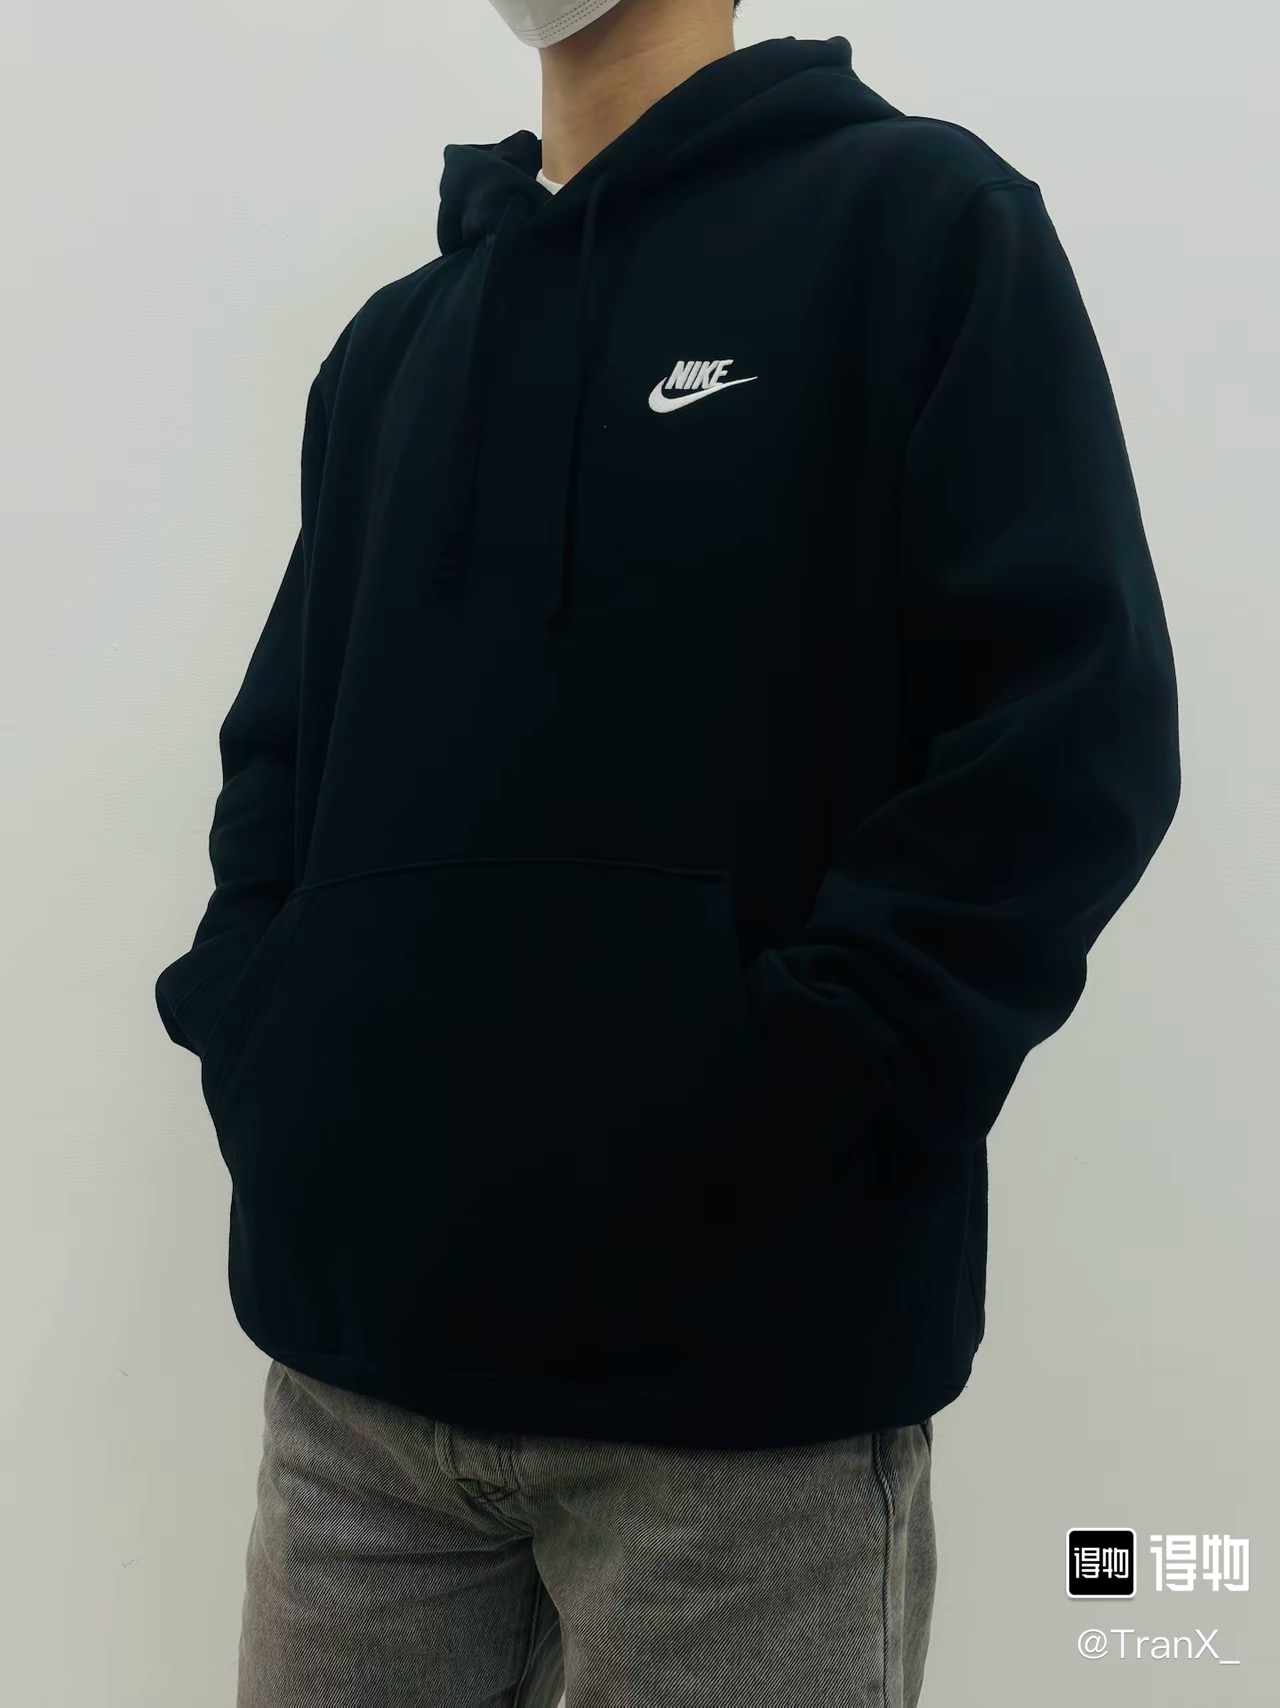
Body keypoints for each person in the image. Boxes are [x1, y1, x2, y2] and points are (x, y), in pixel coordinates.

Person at [154, 2, 1181, 1703]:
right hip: (354, 1404)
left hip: (744, 1411)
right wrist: (270, 1043)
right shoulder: (394, 346)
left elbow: (1069, 736)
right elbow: (281, 760)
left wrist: (811, 1083)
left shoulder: (921, 226)